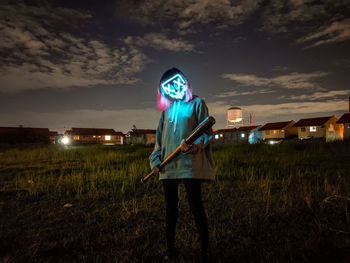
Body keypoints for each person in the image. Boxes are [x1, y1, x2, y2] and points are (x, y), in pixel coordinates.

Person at [149, 67, 215, 262]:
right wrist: (155, 161)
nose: (173, 88)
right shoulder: (167, 111)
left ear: (184, 82)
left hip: (189, 165)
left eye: (176, 83)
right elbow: (159, 141)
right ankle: (170, 250)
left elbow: (207, 133)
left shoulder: (197, 103)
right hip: (168, 168)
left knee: (196, 207)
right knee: (171, 209)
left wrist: (192, 145)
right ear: (164, 90)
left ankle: (204, 252)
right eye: (168, 86)